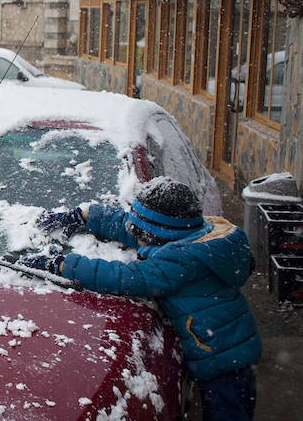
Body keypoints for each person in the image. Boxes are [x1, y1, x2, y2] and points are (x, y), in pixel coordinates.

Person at [17, 177, 261, 421]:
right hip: (230, 349)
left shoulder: (178, 262)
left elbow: (123, 277)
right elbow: (130, 225)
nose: (131, 234)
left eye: (136, 232)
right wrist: (87, 216)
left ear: (159, 236)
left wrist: (61, 265)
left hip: (223, 360)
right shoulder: (188, 236)